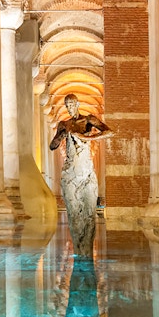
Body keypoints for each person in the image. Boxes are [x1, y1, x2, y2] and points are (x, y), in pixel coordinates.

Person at [50, 93, 113, 257]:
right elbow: (53, 145)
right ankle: (78, 250)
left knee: (89, 215)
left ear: (77, 104)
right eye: (67, 105)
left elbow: (109, 132)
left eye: (72, 105)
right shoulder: (64, 124)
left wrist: (87, 137)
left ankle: (87, 251)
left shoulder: (88, 120)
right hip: (70, 174)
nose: (69, 108)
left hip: (86, 174)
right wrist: (60, 136)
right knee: (74, 215)